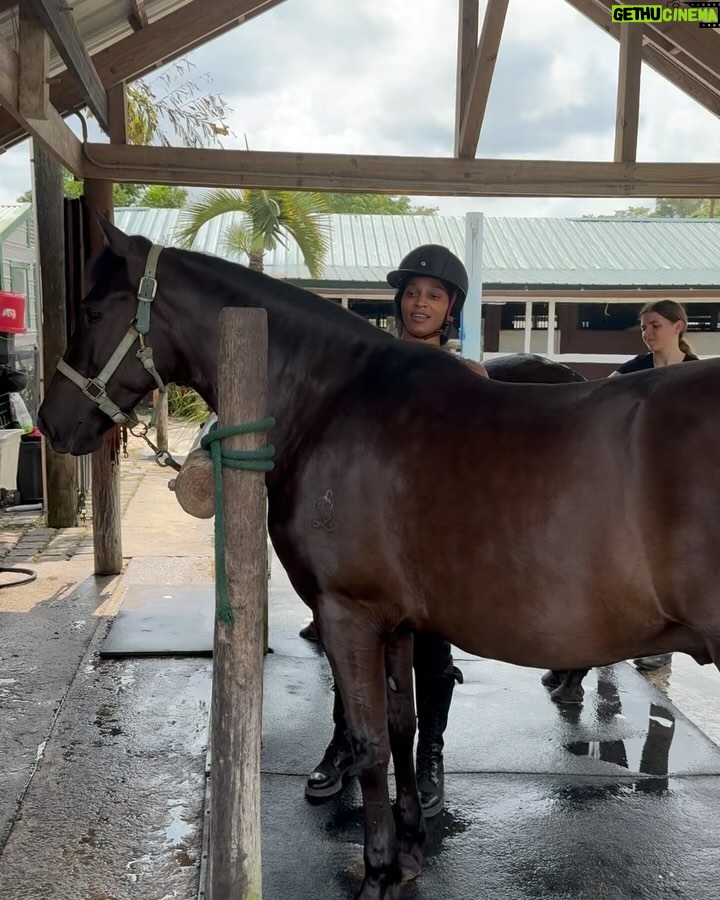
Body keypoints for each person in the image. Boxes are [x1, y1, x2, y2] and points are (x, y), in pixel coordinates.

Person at [304, 245, 480, 818]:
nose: (419, 303)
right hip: (369, 533)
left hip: (432, 541)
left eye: (432, 295)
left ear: (449, 306)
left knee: (432, 655)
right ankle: (347, 745)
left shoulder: (467, 375)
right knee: (352, 650)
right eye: (411, 293)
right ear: (398, 301)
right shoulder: (368, 367)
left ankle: (430, 754)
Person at [612, 298, 699, 671]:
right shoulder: (635, 369)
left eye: (655, 326)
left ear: (677, 327)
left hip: (684, 481)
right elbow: (599, 398)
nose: (647, 334)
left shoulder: (699, 372)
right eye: (644, 327)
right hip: (640, 478)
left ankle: (666, 640)